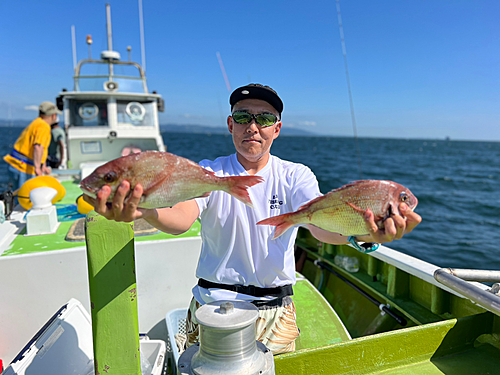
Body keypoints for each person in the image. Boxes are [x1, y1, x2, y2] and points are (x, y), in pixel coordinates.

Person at [85, 84, 422, 354]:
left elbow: (320, 226)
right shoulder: (210, 171)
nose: (253, 127)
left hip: (275, 311)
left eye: (264, 119)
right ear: (231, 124)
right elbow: (182, 217)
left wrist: (363, 234)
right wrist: (143, 210)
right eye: (244, 116)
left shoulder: (295, 175)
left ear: (277, 129)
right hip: (211, 306)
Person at [3, 101, 62, 190]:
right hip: (23, 167)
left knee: (16, 196)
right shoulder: (44, 127)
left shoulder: (36, 123)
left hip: (15, 164)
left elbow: (43, 149)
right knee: (24, 197)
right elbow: (38, 147)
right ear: (53, 116)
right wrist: (38, 168)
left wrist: (43, 166)